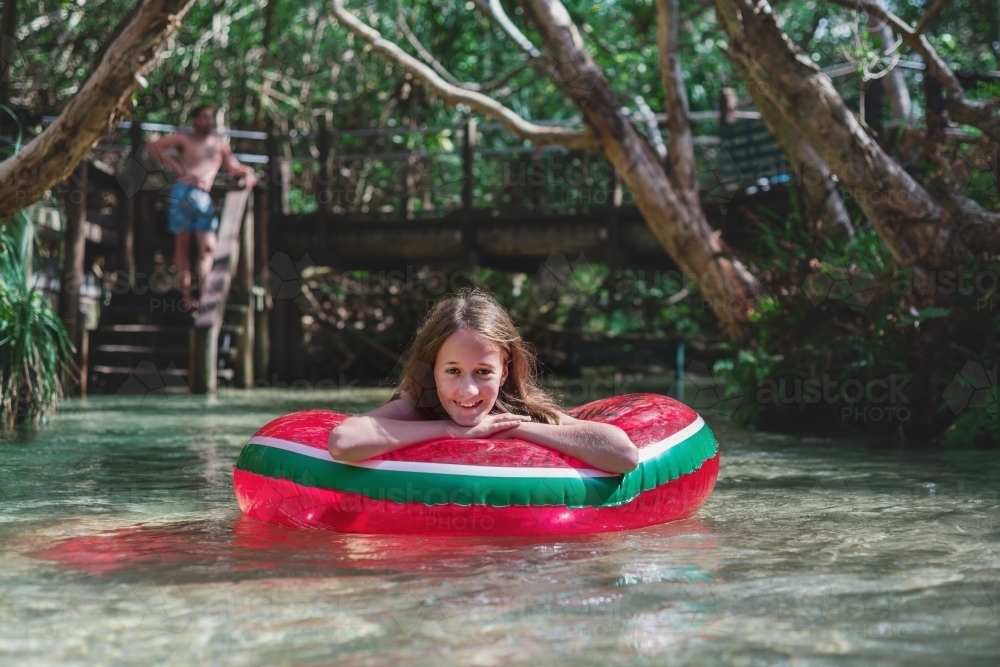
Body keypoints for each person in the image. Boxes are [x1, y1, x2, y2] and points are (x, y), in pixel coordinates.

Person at [328, 288, 639, 474]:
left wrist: (512, 428)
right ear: (432, 369)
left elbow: (624, 456)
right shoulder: (416, 402)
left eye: (483, 371)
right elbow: (343, 442)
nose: (468, 390)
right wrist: (453, 431)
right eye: (452, 371)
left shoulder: (516, 408)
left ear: (504, 370)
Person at [147, 105, 257, 313]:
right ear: (195, 120)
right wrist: (178, 168)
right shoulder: (183, 139)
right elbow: (153, 146)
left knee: (208, 247)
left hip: (203, 198)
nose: (209, 121)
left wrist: (248, 172)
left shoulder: (219, 144)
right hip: (182, 194)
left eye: (211, 117)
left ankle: (206, 294)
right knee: (183, 246)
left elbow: (232, 167)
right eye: (205, 117)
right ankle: (187, 297)